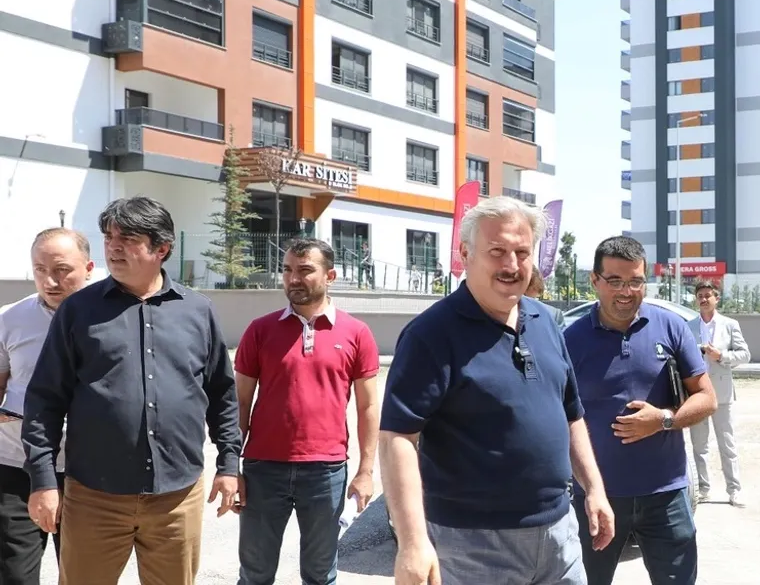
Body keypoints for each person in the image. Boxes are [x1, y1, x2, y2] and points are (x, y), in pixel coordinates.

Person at [379, 196, 613, 585]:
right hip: (472, 546)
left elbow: (571, 414)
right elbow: (398, 439)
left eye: (522, 252)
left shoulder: (545, 322)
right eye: (497, 251)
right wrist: (412, 542)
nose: (511, 265)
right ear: (465, 253)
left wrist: (595, 489)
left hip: (560, 536)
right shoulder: (431, 335)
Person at [22, 196, 241, 585]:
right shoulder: (78, 311)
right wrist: (43, 480)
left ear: (162, 248)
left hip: (177, 497)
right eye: (109, 237)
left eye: (128, 238)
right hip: (94, 497)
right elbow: (44, 401)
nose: (113, 247)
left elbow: (222, 395)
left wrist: (228, 464)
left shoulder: (198, 311)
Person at [563, 236, 717, 585]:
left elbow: (707, 398)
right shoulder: (571, 340)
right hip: (596, 497)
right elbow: (559, 416)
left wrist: (664, 420)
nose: (626, 291)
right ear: (594, 280)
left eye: (635, 281)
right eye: (615, 281)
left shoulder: (671, 327)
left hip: (666, 496)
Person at [233, 238, 381, 585]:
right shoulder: (260, 330)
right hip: (262, 469)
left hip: (326, 472)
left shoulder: (356, 333)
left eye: (305, 270)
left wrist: (365, 471)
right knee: (254, 575)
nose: (293, 279)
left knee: (320, 575)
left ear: (330, 275)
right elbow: (239, 402)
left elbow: (368, 406)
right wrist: (229, 467)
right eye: (287, 270)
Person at [0, 228, 94, 583]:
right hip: (16, 466)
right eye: (40, 270)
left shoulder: (112, 318)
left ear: (88, 267)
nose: (50, 281)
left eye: (61, 270)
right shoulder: (10, 318)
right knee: (15, 574)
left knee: (83, 573)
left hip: (86, 470)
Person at [686, 280, 750, 507]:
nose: (704, 299)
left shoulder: (729, 325)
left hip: (722, 393)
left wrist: (721, 356)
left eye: (708, 295)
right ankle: (704, 489)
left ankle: (734, 490)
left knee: (727, 444)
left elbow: (745, 355)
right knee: (699, 445)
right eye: (700, 296)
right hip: (696, 394)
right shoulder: (688, 326)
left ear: (716, 298)